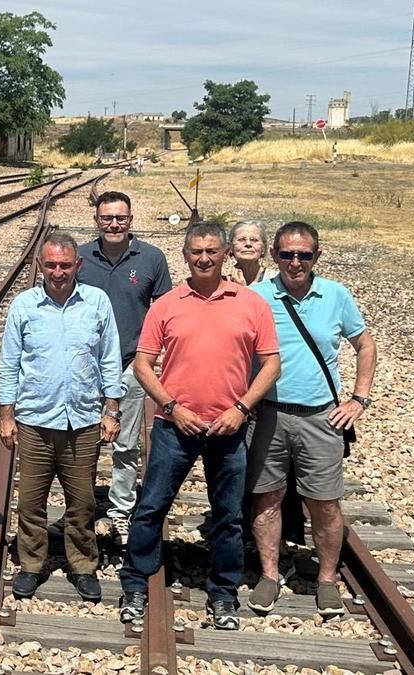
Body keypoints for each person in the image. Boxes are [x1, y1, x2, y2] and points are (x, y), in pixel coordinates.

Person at [118, 222, 281, 630]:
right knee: (151, 506)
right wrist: (172, 406)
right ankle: (136, 582)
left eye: (212, 251)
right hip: (175, 427)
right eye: (196, 252)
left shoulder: (250, 302)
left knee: (228, 515)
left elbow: (271, 363)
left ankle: (224, 593)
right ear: (185, 255)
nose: (204, 258)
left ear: (225, 253)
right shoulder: (168, 303)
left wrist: (241, 409)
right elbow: (143, 364)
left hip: (228, 428)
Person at [246, 221, 377, 618]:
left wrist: (358, 400)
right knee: (266, 498)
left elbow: (364, 344)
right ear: (275, 256)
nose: (295, 262)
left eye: (304, 254)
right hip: (268, 414)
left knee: (324, 504)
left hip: (321, 418)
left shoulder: (336, 295)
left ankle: (325, 579)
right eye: (287, 254)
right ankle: (270, 574)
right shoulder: (256, 296)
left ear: (317, 256)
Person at [0, 233, 123, 603]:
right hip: (35, 420)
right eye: (50, 264)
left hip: (82, 422)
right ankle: (31, 565)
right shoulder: (25, 305)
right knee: (30, 503)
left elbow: (110, 359)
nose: (57, 271)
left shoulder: (97, 302)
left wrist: (111, 410)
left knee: (82, 501)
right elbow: (9, 364)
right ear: (40, 265)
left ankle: (82, 565)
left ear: (77, 265)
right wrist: (7, 416)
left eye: (65, 265)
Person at [76, 191, 173, 545]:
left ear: (131, 220)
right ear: (96, 220)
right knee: (82, 442)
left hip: (131, 364)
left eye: (120, 218)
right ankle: (82, 507)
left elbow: (164, 312)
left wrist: (151, 357)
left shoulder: (151, 258)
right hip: (85, 367)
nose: (114, 224)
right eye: (107, 218)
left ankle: (119, 510)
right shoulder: (81, 258)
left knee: (126, 444)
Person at [227, 221, 274, 286]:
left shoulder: (274, 280)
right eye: (241, 239)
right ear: (230, 247)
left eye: (254, 240)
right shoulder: (222, 281)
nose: (248, 244)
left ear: (263, 248)